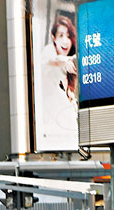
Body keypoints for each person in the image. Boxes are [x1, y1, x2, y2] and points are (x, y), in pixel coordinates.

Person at [40, 14, 78, 143]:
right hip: (50, 134)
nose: (65, 41)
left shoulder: (69, 72)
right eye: (61, 35)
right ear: (53, 37)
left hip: (68, 135)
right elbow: (54, 60)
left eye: (68, 36)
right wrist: (68, 60)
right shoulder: (49, 51)